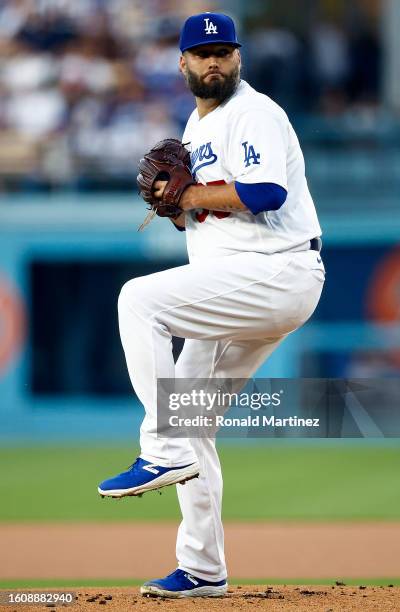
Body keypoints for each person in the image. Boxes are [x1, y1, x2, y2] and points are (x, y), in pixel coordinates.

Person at [98, 12, 325, 598]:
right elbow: (203, 215)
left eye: (224, 50)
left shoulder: (253, 112)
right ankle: (202, 568)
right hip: (233, 284)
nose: (214, 61)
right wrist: (178, 208)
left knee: (138, 299)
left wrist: (190, 193)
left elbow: (265, 192)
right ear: (183, 63)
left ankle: (160, 451)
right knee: (189, 415)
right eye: (203, 53)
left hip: (277, 270)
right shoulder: (195, 130)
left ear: (239, 58)